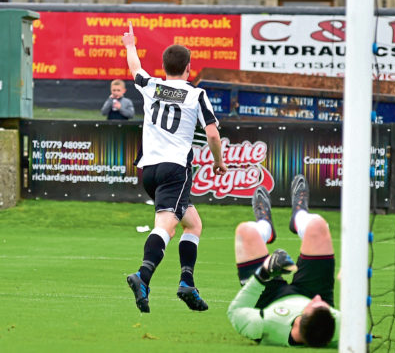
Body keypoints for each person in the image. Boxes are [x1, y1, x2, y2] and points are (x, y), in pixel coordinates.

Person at [122, 21, 227, 313]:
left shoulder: (151, 86)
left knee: (192, 223)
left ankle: (187, 283)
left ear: (165, 66)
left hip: (149, 171)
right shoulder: (196, 94)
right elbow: (213, 134)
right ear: (188, 68)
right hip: (174, 170)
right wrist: (219, 162)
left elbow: (135, 68)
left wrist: (130, 44)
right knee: (166, 225)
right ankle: (142, 277)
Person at [227, 174, 340, 347]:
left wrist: (264, 273)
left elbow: (235, 312)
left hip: (267, 299)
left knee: (246, 232)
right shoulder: (335, 326)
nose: (318, 299)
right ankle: (299, 215)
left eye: (317, 305)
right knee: (317, 225)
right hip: (308, 290)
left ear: (298, 320)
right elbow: (357, 324)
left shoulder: (263, 325)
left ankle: (265, 226)